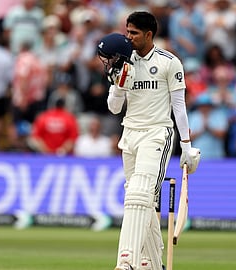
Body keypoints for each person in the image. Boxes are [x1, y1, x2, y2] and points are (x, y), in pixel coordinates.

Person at [97, 11, 200, 270]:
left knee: (139, 193)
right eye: (127, 31)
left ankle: (126, 262)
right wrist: (119, 85)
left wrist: (186, 147)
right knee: (143, 200)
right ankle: (153, 264)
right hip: (129, 134)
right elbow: (113, 107)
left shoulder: (169, 62)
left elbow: (179, 107)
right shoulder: (123, 60)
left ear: (149, 35)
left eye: (134, 33)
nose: (128, 37)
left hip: (157, 133)